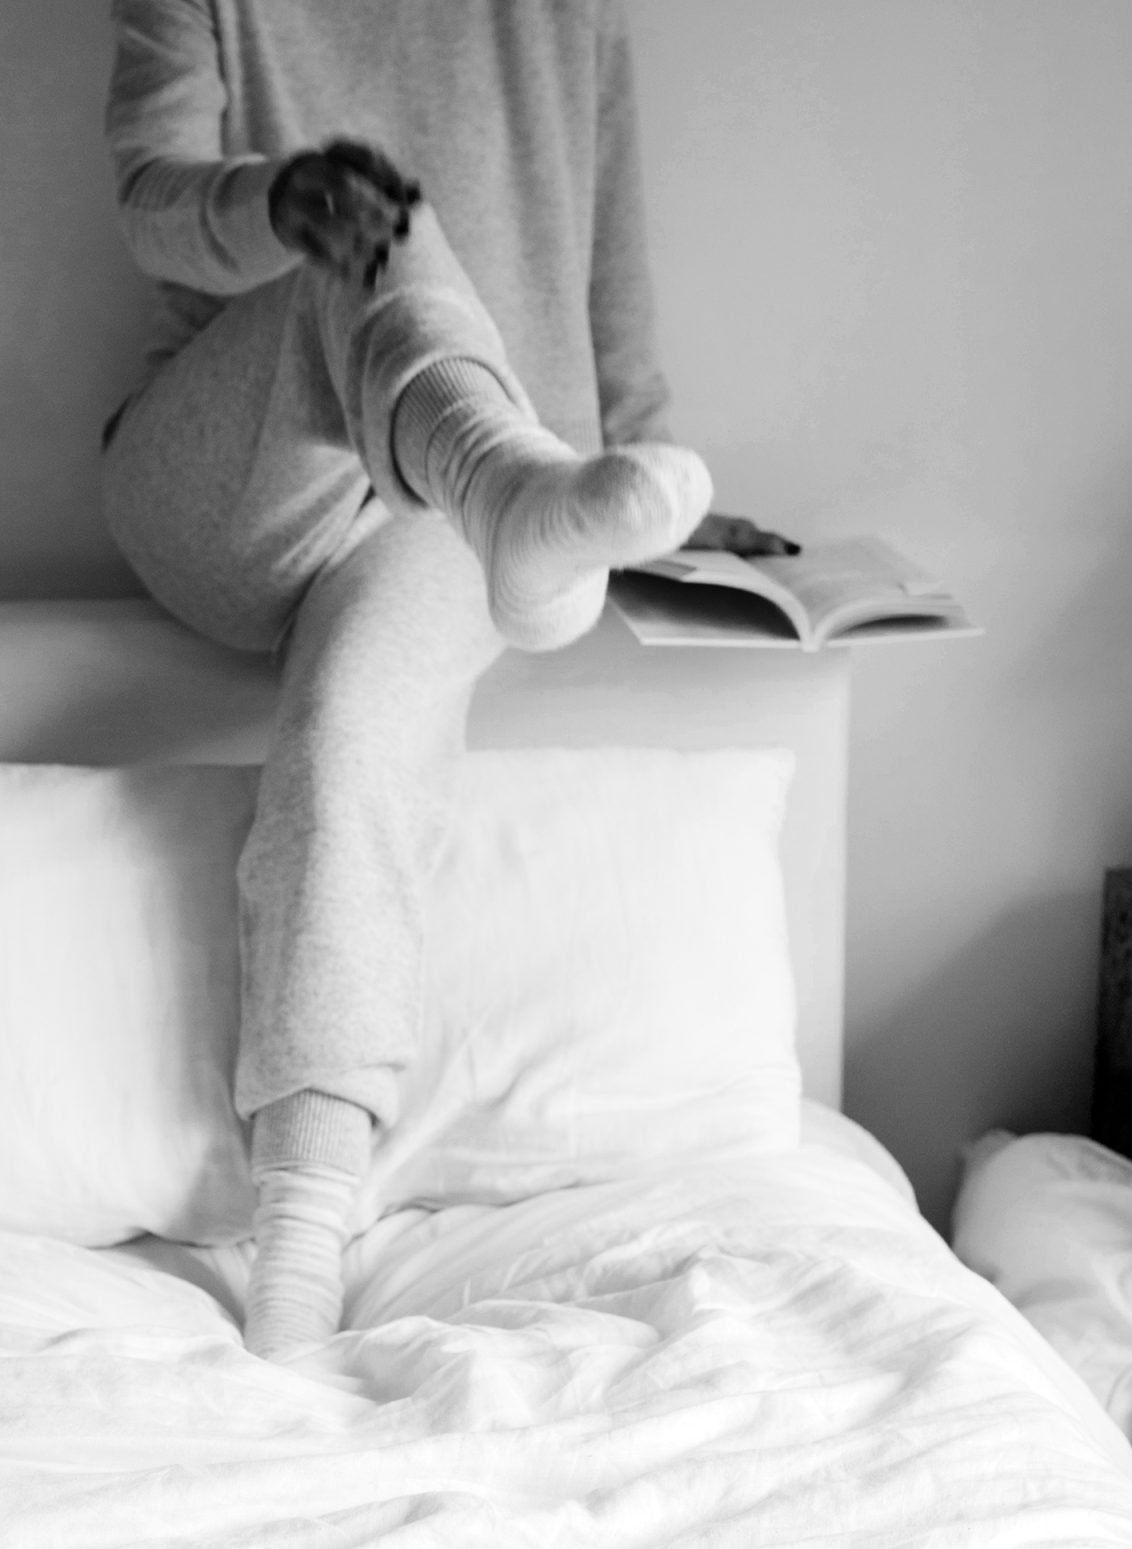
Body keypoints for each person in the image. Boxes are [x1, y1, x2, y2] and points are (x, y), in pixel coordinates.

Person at [102, 0, 794, 1361]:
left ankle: (299, 1256)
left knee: (354, 728)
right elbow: (149, 202)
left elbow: (606, 251)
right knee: (367, 236)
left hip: (440, 513)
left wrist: (643, 464)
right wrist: (278, 200)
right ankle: (512, 487)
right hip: (235, 478)